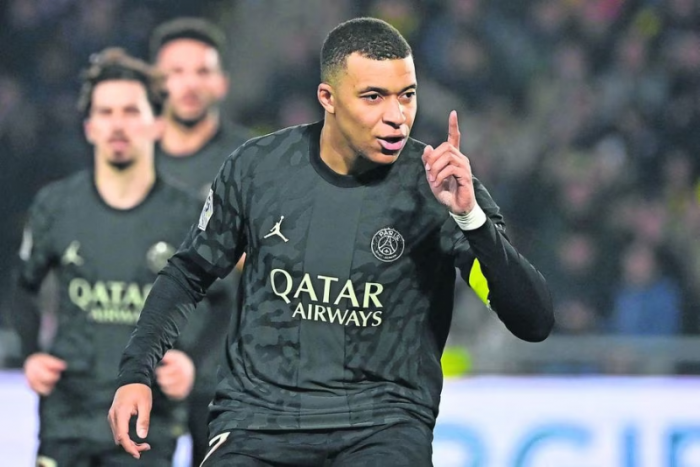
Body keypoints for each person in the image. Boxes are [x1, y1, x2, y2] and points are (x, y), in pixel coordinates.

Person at [109, 18, 554, 466]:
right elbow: (189, 275)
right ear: (328, 98)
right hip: (259, 421)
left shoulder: (441, 188)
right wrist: (135, 372)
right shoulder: (258, 168)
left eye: (407, 95)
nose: (396, 116)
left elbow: (532, 321)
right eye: (374, 97)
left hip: (382, 426)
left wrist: (471, 218)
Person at [13, 48, 202, 467]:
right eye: (106, 112)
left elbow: (225, 300)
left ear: (157, 124)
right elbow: (23, 286)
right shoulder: (55, 205)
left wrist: (193, 360)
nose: (118, 124)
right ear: (89, 127)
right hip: (68, 418)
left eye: (131, 111)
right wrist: (30, 352)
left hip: (147, 422)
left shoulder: (187, 214)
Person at [149, 17, 255, 466]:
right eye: (175, 71)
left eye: (202, 71)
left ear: (223, 82)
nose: (189, 83)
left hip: (228, 373)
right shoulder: (127, 156)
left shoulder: (252, 160)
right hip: (141, 365)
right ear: (154, 81)